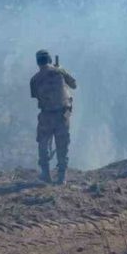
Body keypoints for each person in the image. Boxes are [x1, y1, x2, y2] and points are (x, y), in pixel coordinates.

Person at [30, 49, 77, 185]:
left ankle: (46, 174)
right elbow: (74, 85)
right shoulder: (60, 71)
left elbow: (36, 96)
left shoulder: (34, 79)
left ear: (38, 62)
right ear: (50, 59)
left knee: (43, 143)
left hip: (46, 115)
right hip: (63, 114)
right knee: (62, 144)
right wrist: (61, 70)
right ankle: (62, 177)